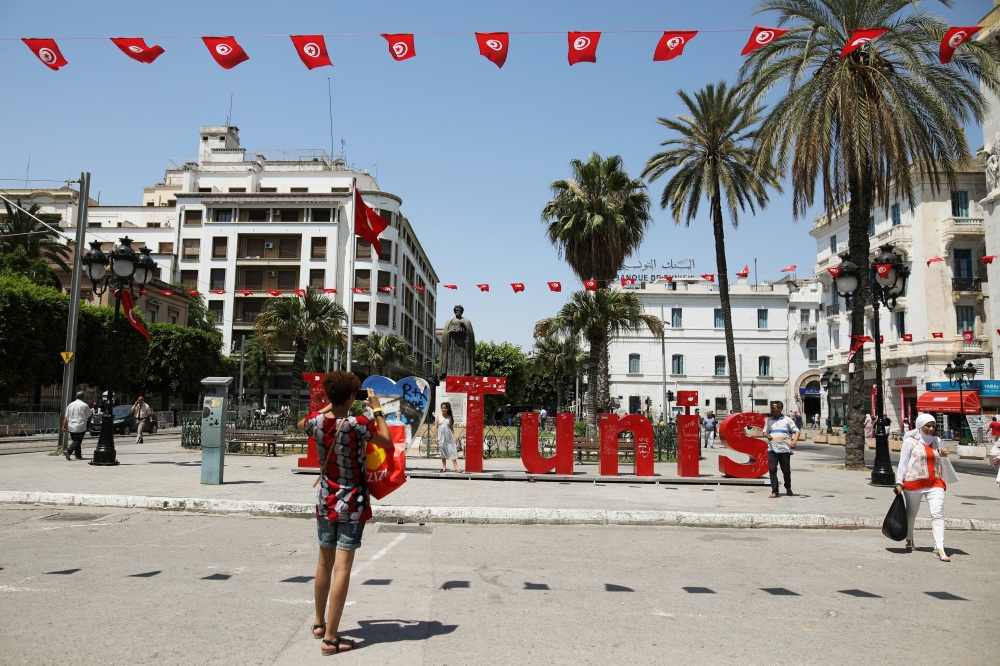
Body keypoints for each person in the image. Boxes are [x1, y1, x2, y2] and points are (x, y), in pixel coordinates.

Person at [298, 372, 391, 655]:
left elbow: (300, 422)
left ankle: (318, 623)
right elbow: (386, 440)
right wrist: (376, 408)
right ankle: (330, 638)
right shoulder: (357, 423)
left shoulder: (315, 422)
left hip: (325, 502)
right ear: (353, 398)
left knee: (323, 564)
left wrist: (329, 406)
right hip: (352, 503)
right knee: (343, 568)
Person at [896, 414, 954, 562]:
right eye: (927, 426)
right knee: (911, 513)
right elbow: (903, 463)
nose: (931, 429)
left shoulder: (937, 441)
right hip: (914, 483)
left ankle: (939, 547)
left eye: (933, 426)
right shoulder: (910, 442)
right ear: (920, 426)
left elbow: (941, 460)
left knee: (937, 513)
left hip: (935, 483)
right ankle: (909, 537)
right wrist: (899, 482)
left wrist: (944, 454)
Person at [763, 400, 799, 498]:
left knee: (786, 471)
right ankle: (775, 491)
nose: (772, 410)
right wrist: (767, 436)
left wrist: (794, 441)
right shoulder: (769, 420)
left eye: (774, 408)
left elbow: (797, 431)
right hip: (772, 449)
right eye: (772, 408)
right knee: (772, 470)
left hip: (785, 450)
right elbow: (764, 432)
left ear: (780, 409)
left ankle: (788, 487)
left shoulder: (787, 420)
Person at [62, 391, 92, 460]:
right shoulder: (84, 405)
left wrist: (64, 426)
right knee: (77, 441)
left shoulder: (70, 405)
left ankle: (78, 456)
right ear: (83, 397)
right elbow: (89, 414)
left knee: (76, 441)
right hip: (80, 426)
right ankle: (68, 451)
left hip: (71, 426)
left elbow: (66, 417)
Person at [437, 402, 461, 472]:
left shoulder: (449, 417)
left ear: (447, 409)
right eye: (442, 408)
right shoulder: (438, 417)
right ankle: (444, 467)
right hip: (441, 437)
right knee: (443, 451)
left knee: (452, 450)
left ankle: (456, 467)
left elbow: (451, 428)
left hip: (449, 436)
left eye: (445, 408)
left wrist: (454, 436)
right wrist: (436, 437)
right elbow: (436, 427)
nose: (443, 409)